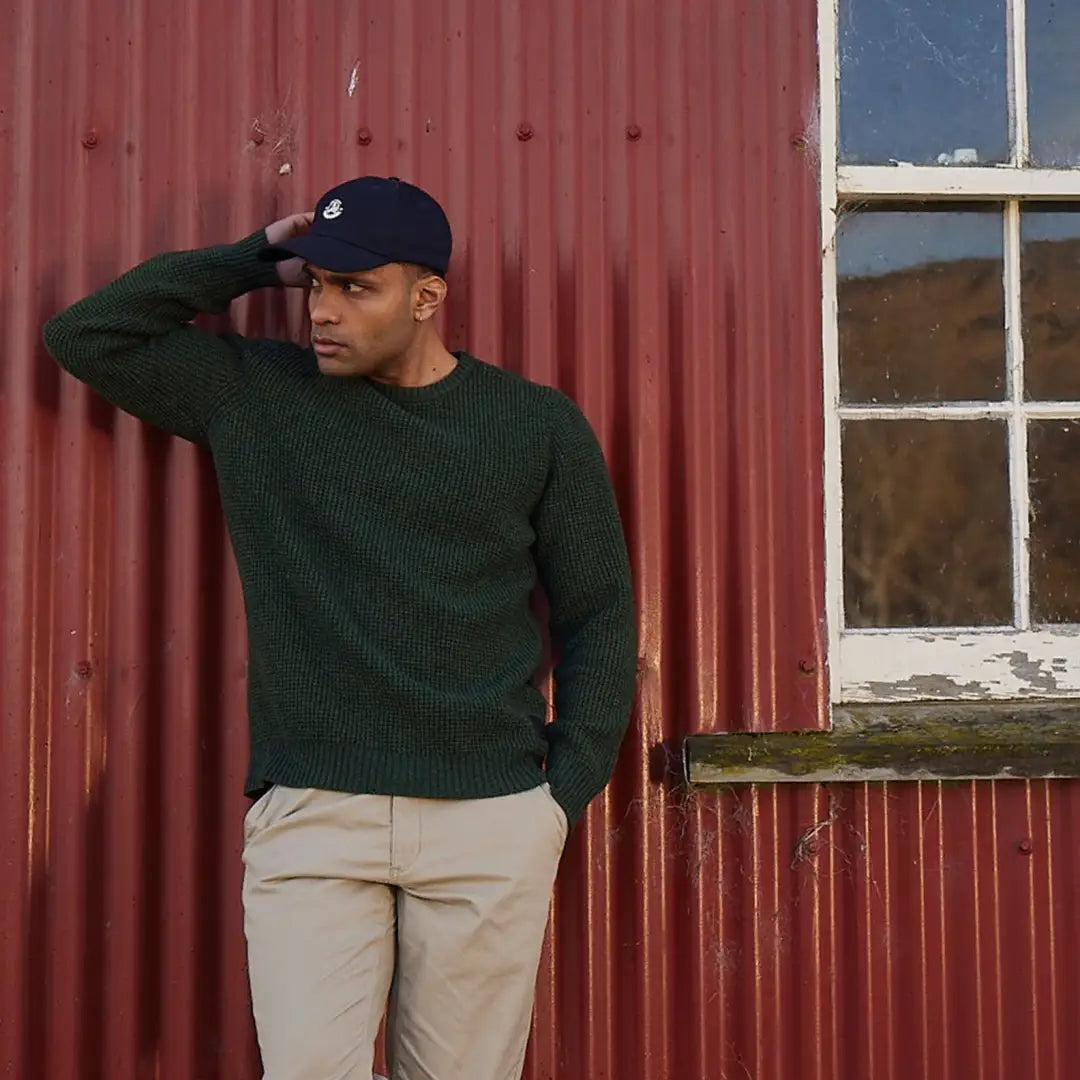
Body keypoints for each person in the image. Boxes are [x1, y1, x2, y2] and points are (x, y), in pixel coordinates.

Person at [43, 175, 638, 1080]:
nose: (322, 311)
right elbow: (86, 336)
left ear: (428, 296)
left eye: (354, 288)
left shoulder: (536, 426)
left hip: (488, 819)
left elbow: (598, 612)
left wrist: (560, 794)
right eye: (315, 284)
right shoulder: (254, 395)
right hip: (317, 813)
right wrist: (254, 261)